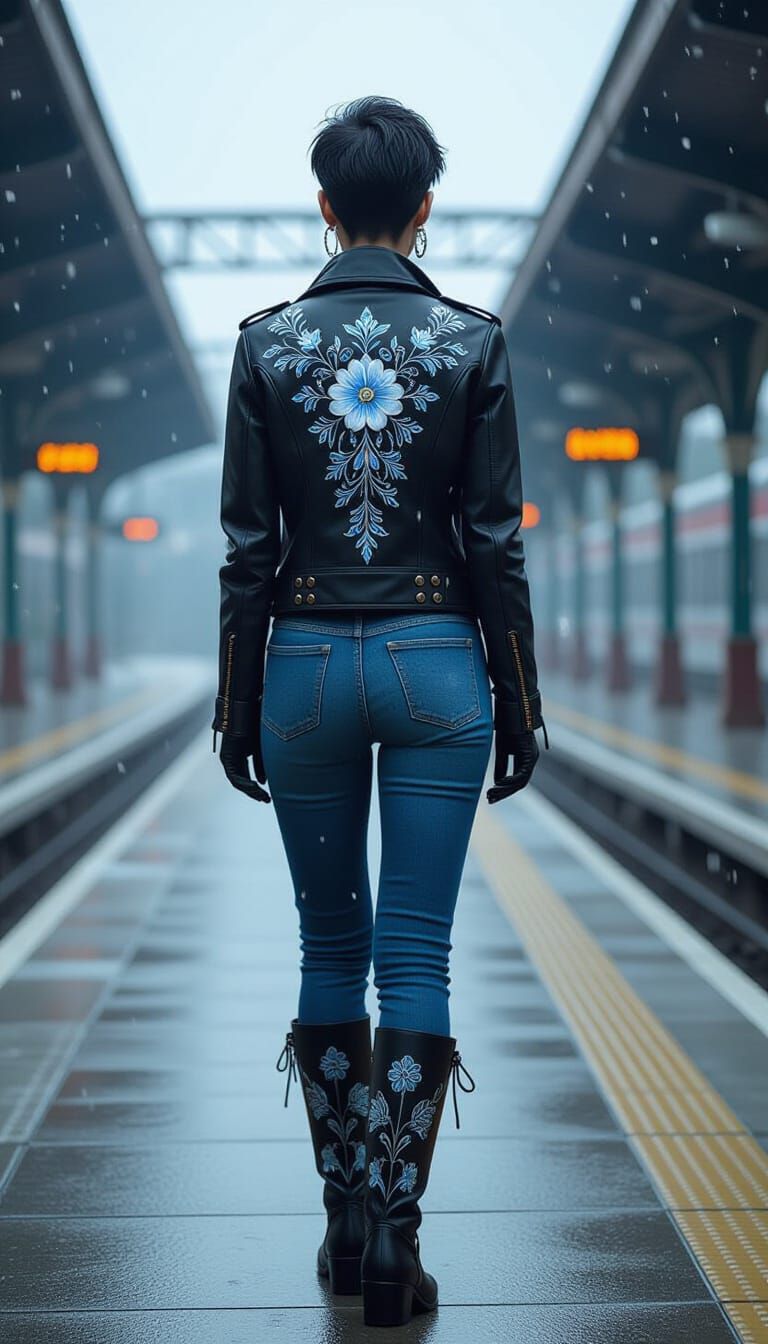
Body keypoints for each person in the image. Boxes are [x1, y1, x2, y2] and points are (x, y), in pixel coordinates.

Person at [212, 95, 546, 1328]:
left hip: (301, 658)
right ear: (422, 210)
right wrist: (518, 698)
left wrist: (239, 699)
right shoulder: (472, 342)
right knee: (416, 952)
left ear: (322, 205)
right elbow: (495, 541)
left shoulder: (268, 343)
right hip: (435, 662)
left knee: (326, 947)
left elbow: (248, 544)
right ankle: (400, 1248)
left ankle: (342, 1223)